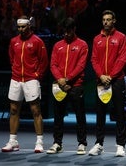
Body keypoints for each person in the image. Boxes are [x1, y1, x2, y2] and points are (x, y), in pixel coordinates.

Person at [1, 15, 49, 153]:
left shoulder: (37, 41)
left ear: (29, 26)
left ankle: (39, 142)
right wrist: (16, 71)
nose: (20, 29)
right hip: (16, 79)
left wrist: (37, 75)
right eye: (19, 27)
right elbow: (12, 58)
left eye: (23, 27)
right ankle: (13, 141)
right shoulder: (13, 41)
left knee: (36, 111)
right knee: (14, 110)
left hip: (31, 80)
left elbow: (43, 61)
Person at [46, 17, 89, 155]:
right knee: (58, 116)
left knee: (79, 115)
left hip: (75, 85)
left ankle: (82, 143)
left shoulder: (82, 45)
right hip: (59, 85)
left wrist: (68, 79)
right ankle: (57, 143)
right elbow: (53, 64)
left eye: (69, 31)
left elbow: (81, 65)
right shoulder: (58, 45)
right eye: (64, 31)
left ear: (74, 29)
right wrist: (60, 79)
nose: (66, 34)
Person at [89, 10, 126, 157]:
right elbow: (94, 60)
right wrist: (101, 75)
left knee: (119, 113)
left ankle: (120, 145)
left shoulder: (121, 37)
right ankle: (99, 144)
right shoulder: (96, 39)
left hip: (117, 80)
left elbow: (123, 58)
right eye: (104, 19)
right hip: (101, 81)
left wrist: (110, 76)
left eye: (108, 19)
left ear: (114, 21)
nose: (106, 22)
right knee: (100, 113)